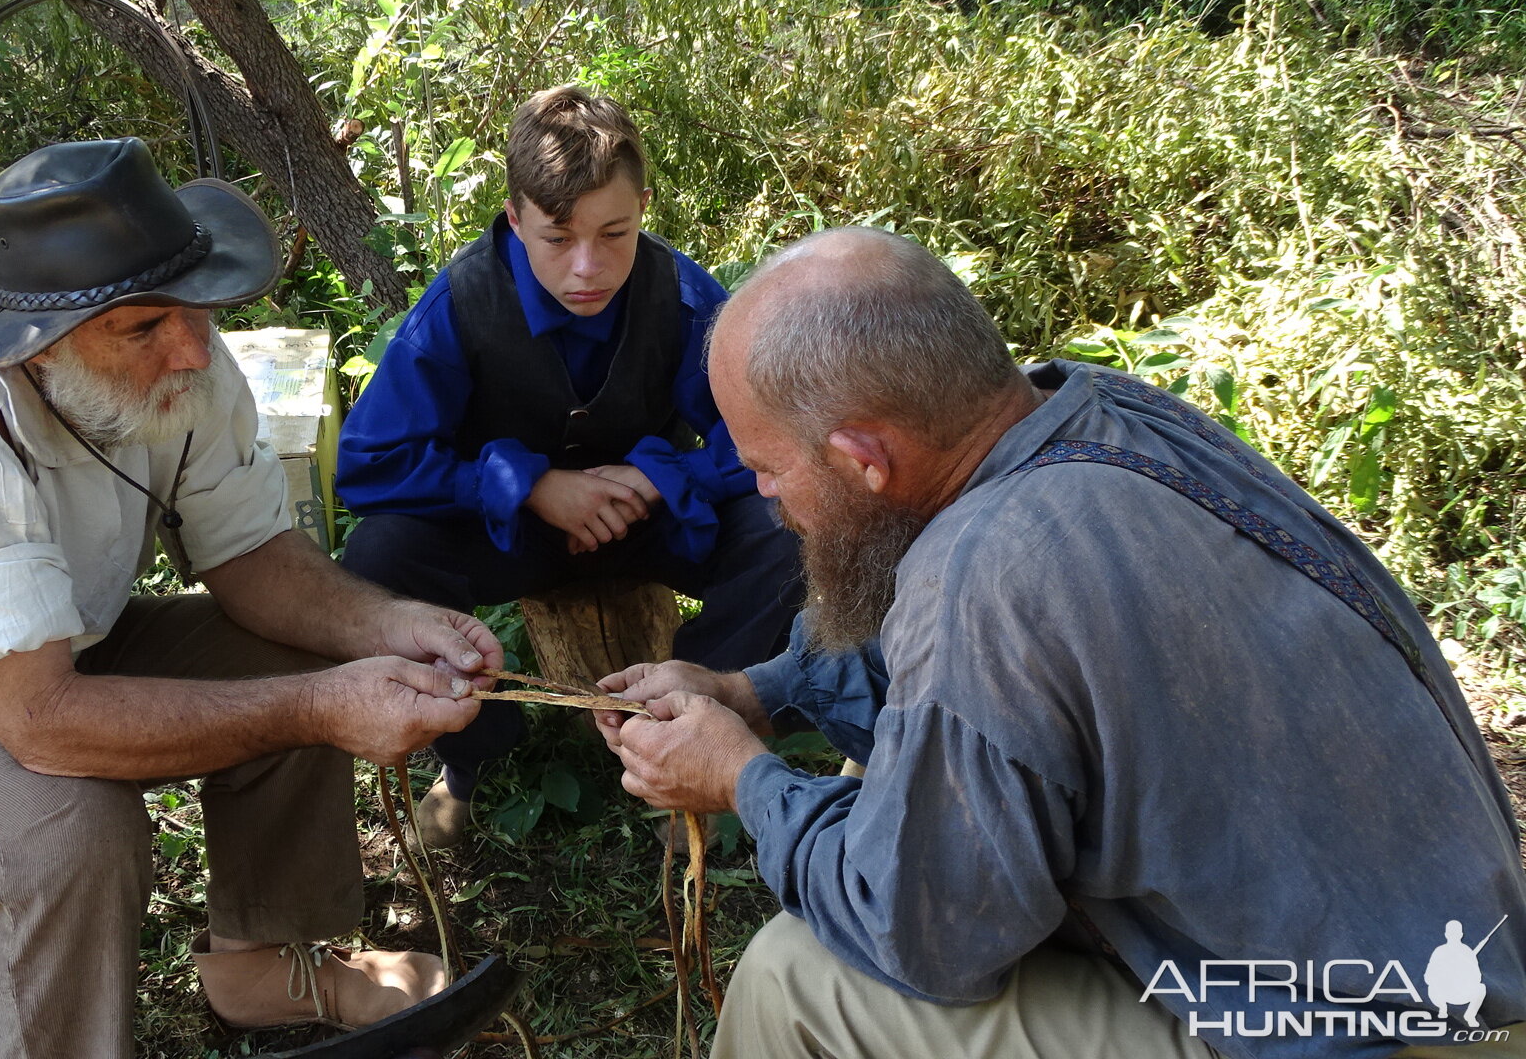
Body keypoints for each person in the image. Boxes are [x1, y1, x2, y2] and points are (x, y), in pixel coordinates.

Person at [594, 227, 1526, 1058]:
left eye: (766, 467)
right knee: (882, 793)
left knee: (794, 980)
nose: (764, 496)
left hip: (1375, 1035)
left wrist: (745, 781)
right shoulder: (1098, 416)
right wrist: (755, 692)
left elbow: (927, 935)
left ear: (863, 458)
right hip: (1464, 963)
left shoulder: (981, 577)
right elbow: (961, 673)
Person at [0, 138, 501, 1059]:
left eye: (195, 307)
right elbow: (45, 724)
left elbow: (251, 553)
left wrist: (391, 625)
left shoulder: (183, 352)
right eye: (142, 329)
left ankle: (261, 969)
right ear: (38, 346)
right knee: (67, 831)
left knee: (304, 652)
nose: (192, 347)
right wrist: (321, 710)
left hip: (52, 654)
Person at [335, 86, 801, 847]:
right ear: (515, 217)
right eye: (556, 238)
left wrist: (662, 480)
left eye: (614, 232)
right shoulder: (461, 306)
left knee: (786, 527)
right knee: (379, 558)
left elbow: (771, 433)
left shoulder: (681, 297)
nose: (588, 268)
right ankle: (472, 755)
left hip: (648, 522)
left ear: (644, 207)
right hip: (512, 534)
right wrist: (530, 488)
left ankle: (689, 740)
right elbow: (368, 465)